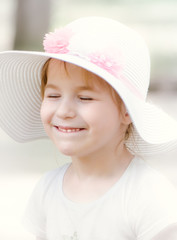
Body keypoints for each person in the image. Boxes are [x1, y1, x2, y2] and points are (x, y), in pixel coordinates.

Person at [0, 16, 177, 240]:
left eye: (84, 98)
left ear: (126, 111)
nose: (64, 111)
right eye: (53, 95)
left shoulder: (148, 195)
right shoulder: (48, 189)